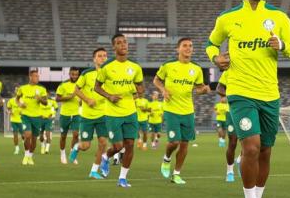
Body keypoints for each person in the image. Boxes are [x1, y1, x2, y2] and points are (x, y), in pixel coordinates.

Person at [206, 0, 290, 198]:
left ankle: (257, 197)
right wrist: (216, 57)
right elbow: (211, 43)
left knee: (266, 151)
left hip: (269, 93)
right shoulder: (228, 18)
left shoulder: (279, 17)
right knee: (250, 147)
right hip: (240, 92)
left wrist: (281, 45)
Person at [154, 37, 210, 185]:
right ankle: (166, 158)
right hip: (171, 109)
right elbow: (156, 80)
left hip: (188, 111)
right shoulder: (168, 65)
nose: (188, 48)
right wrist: (163, 90)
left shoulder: (196, 69)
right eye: (185, 46)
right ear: (178, 49)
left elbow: (198, 89)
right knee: (174, 142)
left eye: (190, 46)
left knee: (185, 144)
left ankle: (176, 174)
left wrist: (204, 90)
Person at [94, 34, 144, 188]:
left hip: (130, 112)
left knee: (129, 144)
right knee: (118, 147)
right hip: (113, 114)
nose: (123, 45)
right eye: (119, 43)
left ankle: (122, 178)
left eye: (125, 42)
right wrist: (109, 96)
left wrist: (137, 91)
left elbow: (140, 89)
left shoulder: (135, 67)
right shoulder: (106, 67)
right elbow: (96, 87)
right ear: (114, 47)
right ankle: (106, 156)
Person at [70, 48, 109, 179]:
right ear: (94, 59)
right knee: (86, 146)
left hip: (103, 114)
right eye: (99, 56)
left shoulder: (110, 75)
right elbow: (76, 90)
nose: (102, 58)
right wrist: (87, 99)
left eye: (104, 56)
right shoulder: (87, 74)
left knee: (103, 143)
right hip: (87, 116)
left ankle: (94, 170)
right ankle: (77, 147)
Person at [16, 69, 48, 165]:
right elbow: (17, 99)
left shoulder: (42, 89)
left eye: (38, 76)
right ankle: (26, 155)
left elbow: (46, 102)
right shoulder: (23, 88)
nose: (37, 78)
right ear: (30, 77)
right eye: (35, 76)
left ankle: (30, 156)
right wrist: (20, 105)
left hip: (37, 117)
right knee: (27, 135)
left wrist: (40, 99)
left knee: (34, 139)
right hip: (26, 115)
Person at [216, 71, 240, 182]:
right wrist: (228, 96)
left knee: (251, 141)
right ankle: (229, 171)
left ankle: (240, 160)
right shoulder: (228, 71)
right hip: (233, 111)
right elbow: (219, 88)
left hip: (250, 110)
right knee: (233, 141)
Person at [56, 67, 81, 164]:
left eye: (76, 74)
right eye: (73, 74)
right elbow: (57, 99)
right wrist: (69, 97)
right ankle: (62, 154)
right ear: (69, 74)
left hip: (76, 114)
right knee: (63, 136)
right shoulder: (63, 85)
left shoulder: (80, 85)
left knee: (76, 135)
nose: (75, 76)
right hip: (65, 114)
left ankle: (72, 154)